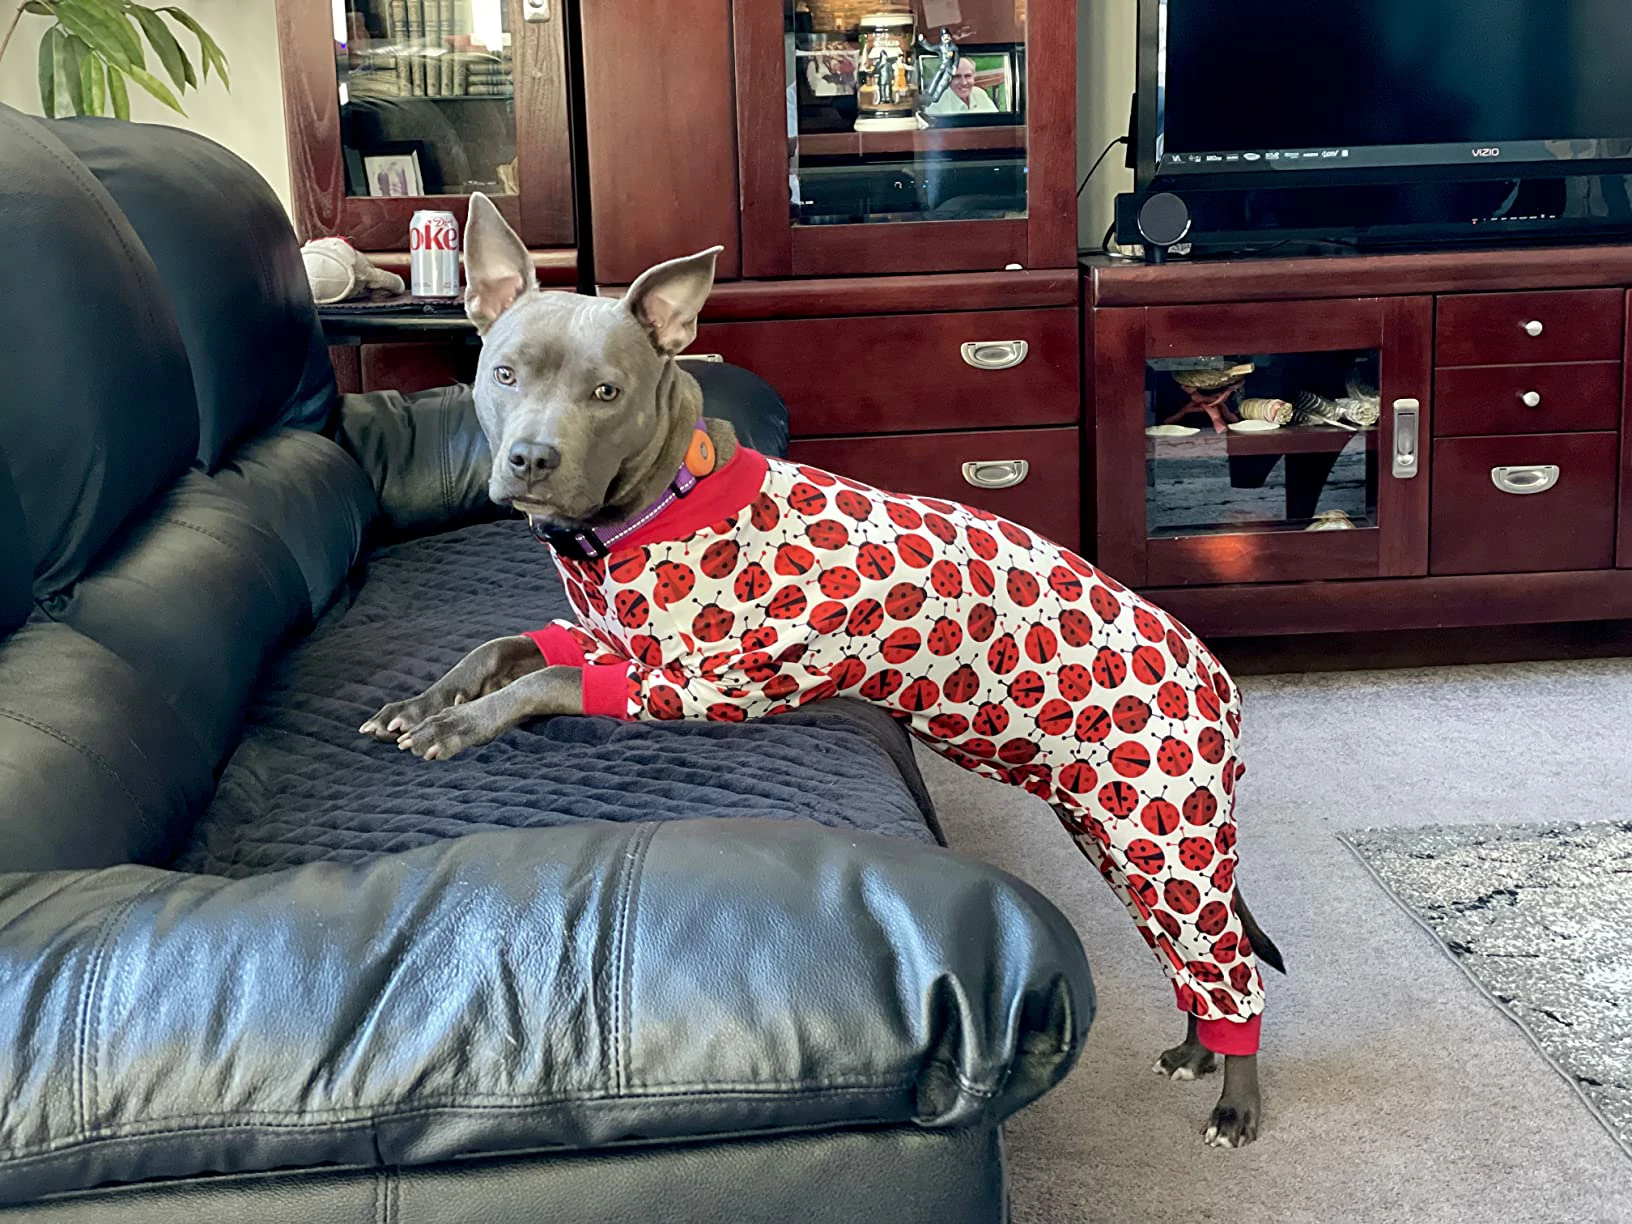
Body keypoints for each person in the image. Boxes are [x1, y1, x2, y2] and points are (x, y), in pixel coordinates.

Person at [925, 57, 997, 115]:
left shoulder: (980, 94)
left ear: (974, 76)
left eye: (968, 76)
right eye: (957, 77)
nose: (964, 82)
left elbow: (997, 123)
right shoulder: (936, 105)